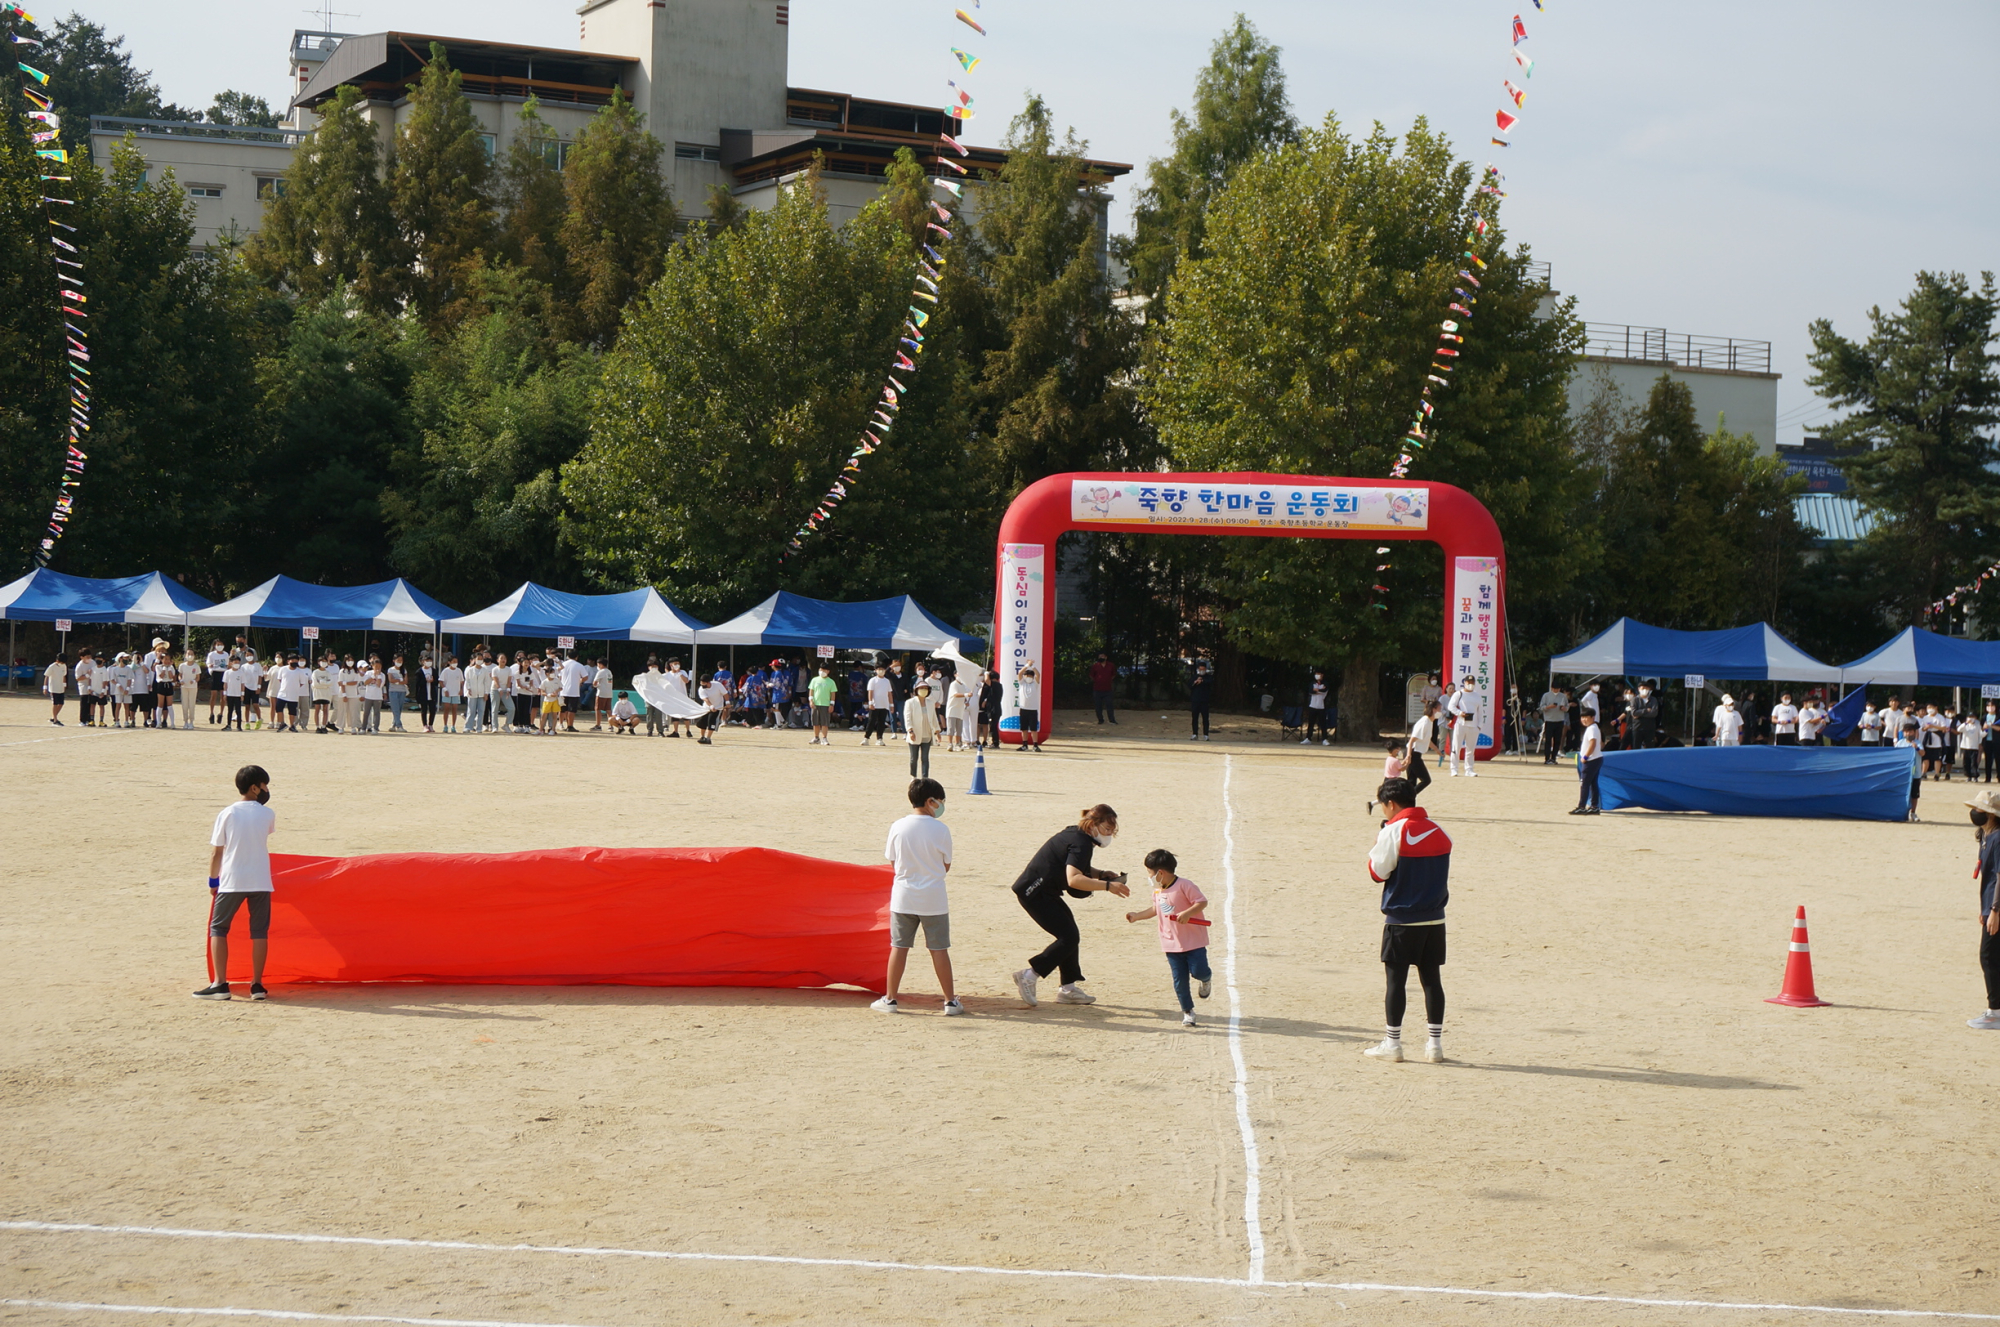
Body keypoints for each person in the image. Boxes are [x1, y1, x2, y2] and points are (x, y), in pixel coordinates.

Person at [1361, 776, 1452, 1064]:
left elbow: (1378, 873)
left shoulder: (1393, 831)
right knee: (1432, 981)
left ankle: (1393, 1043)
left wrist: (1381, 838)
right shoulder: (1439, 831)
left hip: (1401, 920)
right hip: (1435, 920)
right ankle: (1434, 1046)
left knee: (1395, 982)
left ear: (1391, 803)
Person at [1010, 804, 1130, 1007]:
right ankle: (1030, 975)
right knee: (1069, 937)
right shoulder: (1081, 843)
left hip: (1044, 890)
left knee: (1070, 933)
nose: (1109, 835)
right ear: (1094, 825)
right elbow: (1074, 879)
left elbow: (1073, 865)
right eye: (1107, 830)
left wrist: (1100, 874)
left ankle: (1068, 989)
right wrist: (1108, 886)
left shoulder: (1077, 834)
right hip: (1034, 893)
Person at [871, 777, 962, 1016]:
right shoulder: (941, 829)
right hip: (934, 898)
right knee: (939, 949)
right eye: (940, 801)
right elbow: (946, 865)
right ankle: (950, 1002)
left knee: (898, 947)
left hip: (904, 896)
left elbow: (893, 860)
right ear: (930, 801)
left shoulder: (898, 826)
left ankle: (890, 999)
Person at [192, 764, 277, 1002]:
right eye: (264, 785)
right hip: (261, 879)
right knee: (259, 932)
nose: (267, 790)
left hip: (232, 880)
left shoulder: (227, 813)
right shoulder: (268, 814)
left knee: (219, 928)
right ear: (254, 787)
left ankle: (220, 984)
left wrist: (212, 880)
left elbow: (216, 852)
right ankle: (257, 985)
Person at [1124, 848, 1210, 1027]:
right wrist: (1137, 916)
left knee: (1198, 971)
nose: (1149, 877)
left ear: (1160, 873)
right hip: (1171, 943)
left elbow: (1201, 902)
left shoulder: (1185, 885)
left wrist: (1187, 913)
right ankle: (1188, 1012)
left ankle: (1206, 979)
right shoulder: (1158, 892)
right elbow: (1157, 910)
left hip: (1193, 941)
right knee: (1179, 981)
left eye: (1150, 873)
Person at [1966, 790, 2000, 1030]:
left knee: (1988, 957)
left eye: (1980, 809)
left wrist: (1995, 909)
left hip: (1997, 908)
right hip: (1990, 906)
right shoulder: (1986, 835)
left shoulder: (1998, 838)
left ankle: (1995, 1011)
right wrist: (1985, 908)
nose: (1975, 813)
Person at [904, 680, 941, 779]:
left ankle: (925, 778)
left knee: (925, 758)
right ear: (916, 690)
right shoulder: (910, 702)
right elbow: (907, 718)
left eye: (925, 689)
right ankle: (913, 777)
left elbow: (933, 718)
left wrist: (937, 731)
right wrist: (910, 731)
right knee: (913, 758)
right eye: (921, 688)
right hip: (915, 733)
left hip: (927, 734)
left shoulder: (930, 703)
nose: (923, 690)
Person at [1572, 705, 1605, 815]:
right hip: (1596, 758)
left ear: (1593, 717)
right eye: (1582, 718)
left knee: (1585, 783)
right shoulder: (1593, 728)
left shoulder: (1592, 728)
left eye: (1586, 717)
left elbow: (1593, 743)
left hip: (1591, 760)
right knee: (1593, 783)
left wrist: (1585, 757)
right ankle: (1594, 806)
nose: (1584, 720)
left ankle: (1582, 806)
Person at [1446, 675, 1479, 776]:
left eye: (1472, 682)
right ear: (1464, 682)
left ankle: (1469, 769)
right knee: (1456, 747)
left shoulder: (1477, 695)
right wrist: (1460, 713)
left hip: (1473, 725)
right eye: (1468, 682)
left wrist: (1479, 725)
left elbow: (1480, 711)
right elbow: (1450, 706)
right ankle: (1454, 769)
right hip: (1460, 724)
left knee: (1470, 749)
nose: (1470, 684)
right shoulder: (1459, 693)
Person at [1403, 700, 1437, 800]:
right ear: (1433, 710)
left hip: (1415, 752)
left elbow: (1426, 740)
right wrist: (1409, 756)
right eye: (1439, 709)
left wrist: (1437, 750)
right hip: (1413, 752)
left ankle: (1408, 803)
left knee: (1412, 782)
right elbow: (1412, 740)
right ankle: (1407, 798)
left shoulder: (1430, 722)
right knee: (1426, 780)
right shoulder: (1425, 722)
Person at [807, 663, 838, 745]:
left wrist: (831, 704)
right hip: (815, 704)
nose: (821, 672)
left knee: (825, 723)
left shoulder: (831, 682)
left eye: (824, 670)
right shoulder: (814, 680)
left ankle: (824, 738)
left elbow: (833, 694)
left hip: (825, 704)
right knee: (815, 722)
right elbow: (811, 691)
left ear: (828, 671)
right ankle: (816, 737)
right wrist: (811, 700)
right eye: (820, 670)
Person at [864, 663, 894, 746]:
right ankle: (866, 738)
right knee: (871, 721)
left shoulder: (887, 681)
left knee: (881, 722)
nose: (881, 671)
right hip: (875, 705)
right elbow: (870, 692)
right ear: (876, 670)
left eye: (883, 669)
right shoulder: (873, 680)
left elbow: (889, 693)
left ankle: (879, 738)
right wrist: (870, 702)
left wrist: (891, 705)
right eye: (879, 669)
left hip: (884, 705)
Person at [945, 666, 974, 752]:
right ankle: (950, 744)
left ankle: (957, 744)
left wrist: (965, 701)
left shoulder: (963, 686)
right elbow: (956, 694)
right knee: (951, 728)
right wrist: (966, 695)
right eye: (959, 673)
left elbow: (963, 696)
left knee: (959, 729)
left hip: (960, 710)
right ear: (955, 675)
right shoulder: (953, 684)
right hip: (952, 709)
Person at [1538, 683, 1568, 764]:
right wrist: (1549, 707)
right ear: (1551, 688)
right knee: (1548, 740)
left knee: (1557, 740)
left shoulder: (1563, 696)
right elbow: (1541, 707)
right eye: (1555, 689)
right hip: (1549, 720)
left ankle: (1554, 758)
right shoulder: (1546, 695)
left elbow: (1567, 707)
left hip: (1560, 720)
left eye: (1558, 689)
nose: (1556, 690)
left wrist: (1564, 708)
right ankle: (1547, 758)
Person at [697, 671, 727, 744]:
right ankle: (702, 737)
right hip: (707, 707)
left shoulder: (717, 685)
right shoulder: (701, 689)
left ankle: (708, 738)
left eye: (703, 683)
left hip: (718, 707)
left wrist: (728, 702)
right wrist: (711, 706)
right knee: (703, 722)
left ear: (708, 682)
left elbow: (725, 693)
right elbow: (705, 699)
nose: (702, 685)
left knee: (711, 722)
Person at [1090, 653, 1119, 725]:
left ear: (1106, 657)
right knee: (1098, 706)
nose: (1100, 658)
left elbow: (1114, 674)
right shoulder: (1095, 666)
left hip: (1108, 689)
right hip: (1097, 689)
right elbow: (1091, 675)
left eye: (1102, 657)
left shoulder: (1111, 665)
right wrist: (1097, 680)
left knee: (1109, 705)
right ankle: (1100, 720)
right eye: (1099, 657)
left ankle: (1112, 720)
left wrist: (1108, 680)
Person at [1187, 659, 1212, 742]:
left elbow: (1210, 683)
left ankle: (1206, 734)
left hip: (1205, 701)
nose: (1202, 671)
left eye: (1203, 670)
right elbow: (1190, 685)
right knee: (1195, 718)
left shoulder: (1208, 677)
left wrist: (1203, 681)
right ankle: (1195, 734)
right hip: (1195, 700)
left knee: (1205, 718)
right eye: (1200, 669)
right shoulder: (1194, 676)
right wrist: (1195, 682)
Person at [1305, 669, 1332, 745]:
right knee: (1311, 723)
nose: (1317, 675)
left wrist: (1316, 690)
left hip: (1321, 707)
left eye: (1319, 674)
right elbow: (1310, 691)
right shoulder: (1312, 683)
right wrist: (1318, 690)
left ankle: (1324, 739)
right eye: (1316, 673)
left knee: (1323, 723)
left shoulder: (1325, 683)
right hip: (1312, 706)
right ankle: (1308, 738)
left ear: (1322, 675)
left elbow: (1325, 691)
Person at [205, 640, 229, 725]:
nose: (220, 646)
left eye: (221, 644)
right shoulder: (211, 654)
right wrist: (210, 667)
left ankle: (221, 713)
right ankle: (211, 713)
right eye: (218, 644)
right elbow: (208, 664)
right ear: (215, 645)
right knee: (214, 694)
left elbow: (228, 664)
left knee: (223, 696)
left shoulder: (226, 654)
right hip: (215, 674)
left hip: (223, 674)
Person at [1631, 682, 1661, 749]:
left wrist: (1640, 714)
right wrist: (1646, 710)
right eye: (1643, 688)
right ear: (1639, 689)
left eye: (1646, 688)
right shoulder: (1635, 699)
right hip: (1637, 727)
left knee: (1650, 747)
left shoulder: (1653, 699)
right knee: (1636, 747)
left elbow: (1654, 713)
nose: (1644, 690)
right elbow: (1634, 713)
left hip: (1650, 728)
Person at [977, 669, 1002, 748]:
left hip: (994, 709)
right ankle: (995, 742)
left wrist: (986, 672)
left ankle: (995, 743)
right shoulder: (996, 685)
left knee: (993, 727)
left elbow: (987, 680)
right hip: (994, 709)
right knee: (993, 726)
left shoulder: (996, 684)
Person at [178, 650, 203, 730]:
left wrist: (194, 681)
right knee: (184, 704)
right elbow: (180, 675)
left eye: (192, 654)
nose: (190, 655)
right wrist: (181, 680)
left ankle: (191, 721)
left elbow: (198, 677)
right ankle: (185, 721)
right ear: (185, 655)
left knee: (191, 704)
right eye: (188, 654)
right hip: (184, 687)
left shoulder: (196, 666)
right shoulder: (182, 665)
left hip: (193, 687)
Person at [439, 655, 463, 733]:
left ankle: (453, 726)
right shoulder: (446, 671)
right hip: (447, 693)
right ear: (449, 662)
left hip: (456, 692)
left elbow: (462, 681)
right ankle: (445, 725)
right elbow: (441, 681)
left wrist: (461, 689)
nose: (455, 663)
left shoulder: (459, 670)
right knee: (446, 709)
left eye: (456, 662)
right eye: (453, 662)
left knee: (454, 709)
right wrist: (445, 689)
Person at [1960, 710, 1986, 782]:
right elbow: (1959, 729)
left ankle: (1975, 776)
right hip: (1965, 746)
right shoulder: (1965, 725)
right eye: (1969, 717)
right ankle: (1968, 776)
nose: (1971, 718)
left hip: (1974, 746)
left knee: (1973, 762)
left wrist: (1986, 730)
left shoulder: (1978, 724)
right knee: (1966, 762)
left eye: (1973, 717)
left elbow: (1981, 735)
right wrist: (1965, 723)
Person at [42, 651, 67, 726]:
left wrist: (64, 685)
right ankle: (55, 719)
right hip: (53, 688)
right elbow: (46, 676)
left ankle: (54, 717)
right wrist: (45, 687)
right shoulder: (52, 666)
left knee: (61, 703)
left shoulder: (64, 666)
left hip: (60, 688)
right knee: (55, 703)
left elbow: (64, 675)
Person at [590, 658, 614, 731]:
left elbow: (594, 682)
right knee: (608, 710)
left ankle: (598, 725)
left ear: (600, 664)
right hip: (609, 693)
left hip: (601, 693)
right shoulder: (609, 672)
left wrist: (596, 686)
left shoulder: (600, 672)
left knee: (597, 709)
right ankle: (611, 726)